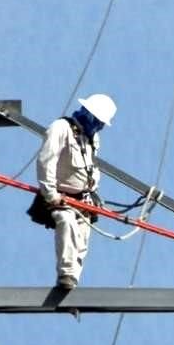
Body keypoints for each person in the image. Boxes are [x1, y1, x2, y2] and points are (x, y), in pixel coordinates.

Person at [29, 94, 116, 289]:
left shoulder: (92, 138)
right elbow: (46, 162)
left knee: (83, 236)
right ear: (88, 114)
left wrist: (92, 191)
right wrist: (51, 195)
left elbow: (90, 166)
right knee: (66, 223)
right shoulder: (61, 129)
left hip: (83, 199)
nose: (100, 127)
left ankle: (74, 278)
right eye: (99, 121)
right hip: (60, 197)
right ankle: (66, 275)